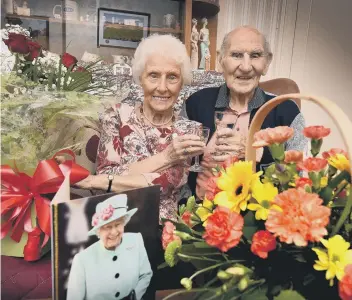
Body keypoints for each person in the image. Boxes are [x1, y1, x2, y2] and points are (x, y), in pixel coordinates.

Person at [76, 34, 205, 221]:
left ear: (182, 83)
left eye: (172, 77)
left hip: (168, 232)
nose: (162, 87)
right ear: (140, 78)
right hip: (117, 224)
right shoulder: (117, 116)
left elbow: (163, 184)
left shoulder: (189, 130)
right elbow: (102, 182)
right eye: (153, 75)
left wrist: (110, 179)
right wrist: (167, 157)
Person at [185, 26, 307, 198]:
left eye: (255, 56)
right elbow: (177, 169)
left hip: (259, 218)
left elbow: (299, 178)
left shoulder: (286, 111)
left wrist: (258, 153)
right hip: (198, 215)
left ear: (266, 63)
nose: (246, 66)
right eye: (236, 55)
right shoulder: (196, 103)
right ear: (221, 60)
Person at [66, 194, 152, 300]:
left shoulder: (136, 240)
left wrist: (134, 296)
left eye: (118, 224)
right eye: (108, 227)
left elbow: (146, 274)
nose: (114, 232)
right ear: (98, 231)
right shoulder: (82, 260)